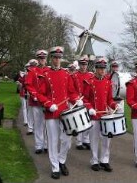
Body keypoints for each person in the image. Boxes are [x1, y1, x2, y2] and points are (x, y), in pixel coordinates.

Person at [36, 46, 82, 179]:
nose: (57, 60)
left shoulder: (66, 74)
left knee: (67, 140)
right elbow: (40, 94)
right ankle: (55, 166)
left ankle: (62, 160)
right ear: (51, 58)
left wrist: (76, 100)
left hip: (65, 112)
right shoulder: (45, 74)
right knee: (53, 140)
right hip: (51, 113)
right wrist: (49, 104)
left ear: (61, 59)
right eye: (55, 57)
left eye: (59, 58)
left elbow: (71, 92)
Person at [83, 57, 120, 172]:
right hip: (94, 115)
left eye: (104, 68)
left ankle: (104, 160)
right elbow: (85, 99)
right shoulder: (90, 81)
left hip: (105, 116)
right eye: (100, 68)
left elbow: (109, 100)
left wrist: (115, 106)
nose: (102, 70)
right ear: (96, 68)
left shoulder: (108, 82)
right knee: (94, 140)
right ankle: (94, 160)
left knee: (106, 140)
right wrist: (89, 108)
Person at [25, 50, 50, 154]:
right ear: (37, 59)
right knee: (38, 124)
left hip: (48, 102)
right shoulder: (32, 71)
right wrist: (34, 95)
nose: (42, 60)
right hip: (36, 102)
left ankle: (46, 144)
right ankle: (38, 145)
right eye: (40, 58)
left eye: (44, 58)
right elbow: (28, 84)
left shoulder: (50, 70)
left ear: (46, 59)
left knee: (48, 125)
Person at [72, 55, 94, 150]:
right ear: (79, 64)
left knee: (88, 120)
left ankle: (86, 139)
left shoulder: (91, 76)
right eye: (82, 64)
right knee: (79, 121)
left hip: (88, 101)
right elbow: (71, 89)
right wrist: (76, 99)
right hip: (78, 101)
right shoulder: (74, 76)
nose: (83, 66)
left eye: (85, 64)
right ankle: (79, 141)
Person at [23, 59, 38, 135]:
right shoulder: (27, 74)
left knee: (36, 114)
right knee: (30, 112)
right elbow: (25, 84)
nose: (33, 67)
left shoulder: (37, 72)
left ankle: (33, 128)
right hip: (29, 95)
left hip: (37, 96)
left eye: (34, 65)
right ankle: (30, 128)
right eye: (31, 66)